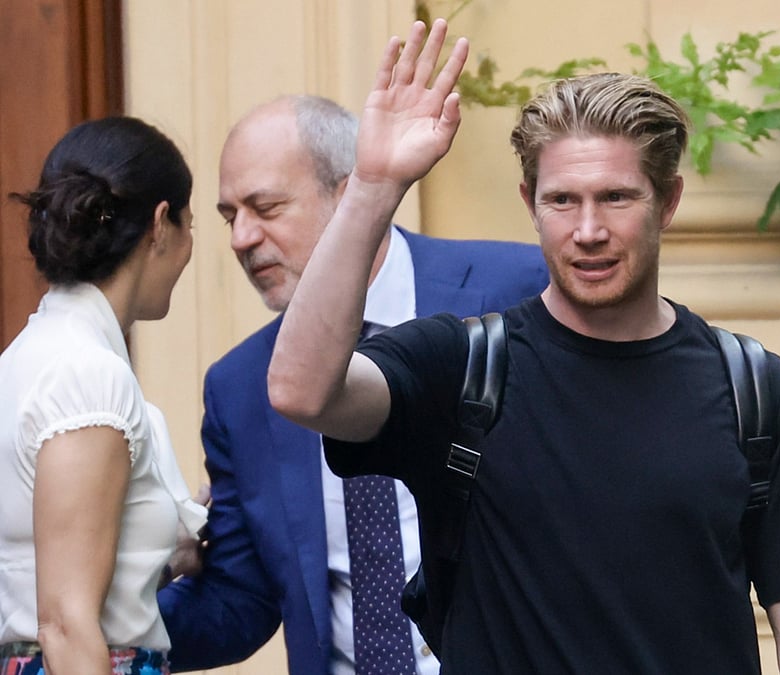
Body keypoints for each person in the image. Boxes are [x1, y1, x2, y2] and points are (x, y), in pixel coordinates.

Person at [270, 18, 780, 674]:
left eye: (616, 197)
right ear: (529, 203)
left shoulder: (750, 388)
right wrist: (372, 188)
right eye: (562, 199)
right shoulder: (463, 371)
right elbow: (301, 390)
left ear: (667, 202)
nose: (588, 229)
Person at [155, 89, 547, 673]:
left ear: (348, 195)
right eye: (230, 216)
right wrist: (100, 598)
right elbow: (238, 604)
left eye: (266, 208)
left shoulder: (514, 291)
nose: (241, 238)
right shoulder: (240, 388)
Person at [0, 117, 207, 674]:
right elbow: (66, 623)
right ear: (162, 224)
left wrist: (170, 551)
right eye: (192, 224)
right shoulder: (86, 375)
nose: (191, 247)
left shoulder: (28, 357)